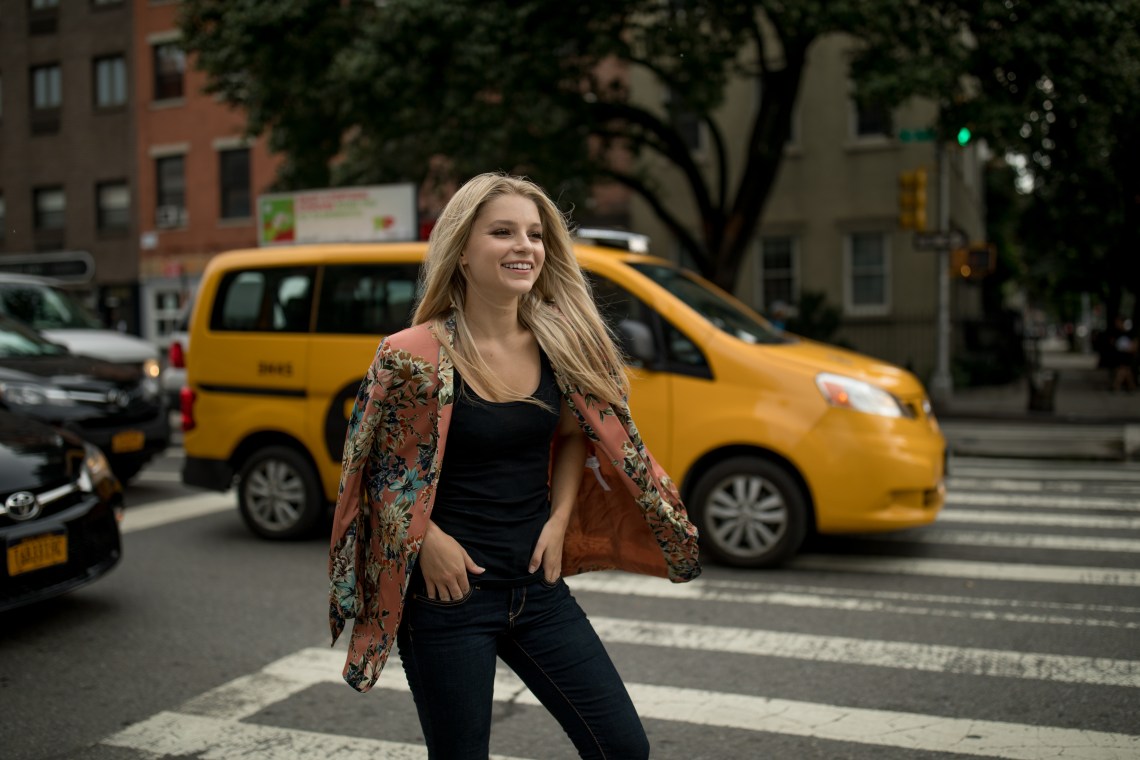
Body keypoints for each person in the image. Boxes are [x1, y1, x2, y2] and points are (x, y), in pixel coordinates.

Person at [328, 172, 701, 759]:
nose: (523, 245)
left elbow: (576, 436)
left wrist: (559, 520)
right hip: (447, 598)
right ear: (463, 252)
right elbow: (371, 472)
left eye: (534, 233)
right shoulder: (411, 354)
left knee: (623, 748)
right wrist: (427, 540)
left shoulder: (563, 344)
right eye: (502, 232)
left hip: (537, 589)